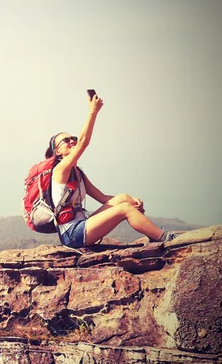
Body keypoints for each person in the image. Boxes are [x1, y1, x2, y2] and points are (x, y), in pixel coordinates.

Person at [46, 92, 178, 248]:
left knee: (124, 199)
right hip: (72, 234)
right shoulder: (60, 169)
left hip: (83, 225)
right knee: (125, 209)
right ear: (57, 152)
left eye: (73, 138)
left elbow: (102, 197)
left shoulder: (77, 172)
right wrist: (92, 112)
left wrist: (131, 199)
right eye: (66, 140)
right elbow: (83, 142)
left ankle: (152, 233)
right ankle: (164, 238)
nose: (72, 141)